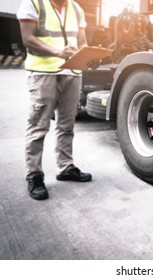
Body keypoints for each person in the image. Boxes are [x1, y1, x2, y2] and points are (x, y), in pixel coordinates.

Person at [17, 0, 93, 200]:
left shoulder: (76, 8)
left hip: (72, 73)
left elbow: (82, 41)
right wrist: (58, 52)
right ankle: (34, 175)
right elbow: (28, 38)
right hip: (43, 73)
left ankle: (65, 167)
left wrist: (86, 54)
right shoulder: (33, 3)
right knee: (38, 125)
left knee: (67, 124)